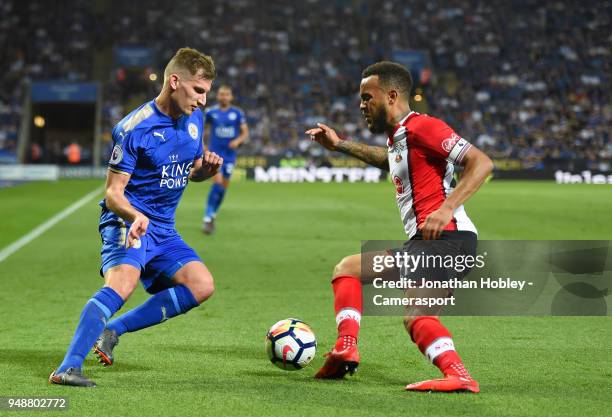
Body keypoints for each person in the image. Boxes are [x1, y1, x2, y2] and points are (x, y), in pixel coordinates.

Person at [306, 61, 493, 393]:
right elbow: (388, 159)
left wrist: (446, 207)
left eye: (367, 98)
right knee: (351, 272)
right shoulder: (401, 137)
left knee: (411, 311)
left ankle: (458, 375)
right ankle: (347, 345)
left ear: (391, 95)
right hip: (431, 242)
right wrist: (340, 145)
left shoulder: (423, 127)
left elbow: (481, 162)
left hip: (446, 238)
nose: (362, 106)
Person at [49, 47, 224, 387]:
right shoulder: (133, 128)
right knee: (121, 285)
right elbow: (113, 193)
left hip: (163, 228)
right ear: (175, 81)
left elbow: (189, 172)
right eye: (198, 91)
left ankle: (113, 330)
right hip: (126, 222)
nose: (203, 101)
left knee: (202, 285)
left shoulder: (195, 119)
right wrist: (134, 216)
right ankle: (67, 368)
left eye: (207, 93)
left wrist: (207, 169)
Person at [202, 85, 249, 234]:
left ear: (231, 97)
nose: (224, 97)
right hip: (214, 155)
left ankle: (213, 214)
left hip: (230, 156)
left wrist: (238, 140)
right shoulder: (211, 112)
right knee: (217, 183)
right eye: (222, 94)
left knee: (222, 189)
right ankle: (207, 218)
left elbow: (245, 132)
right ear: (218, 96)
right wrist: (203, 146)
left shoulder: (237, 113)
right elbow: (199, 129)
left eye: (227, 94)